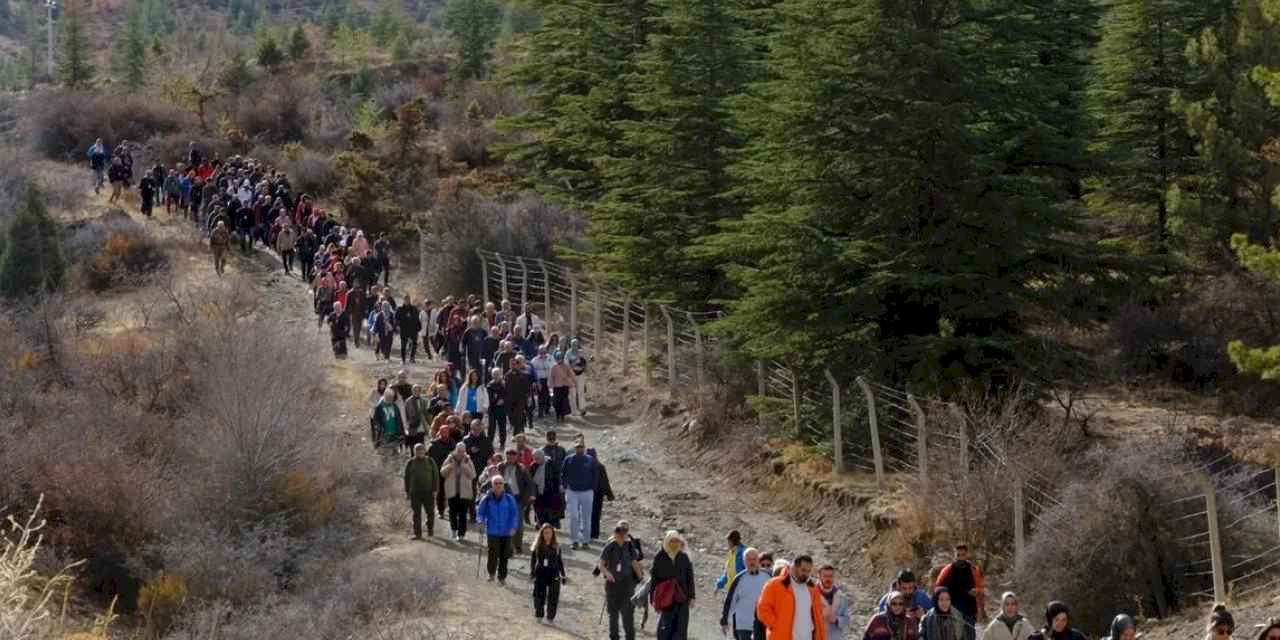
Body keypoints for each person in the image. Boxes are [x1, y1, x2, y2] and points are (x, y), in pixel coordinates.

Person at [757, 554, 826, 640]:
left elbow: (818, 615)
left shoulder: (813, 589)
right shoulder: (774, 584)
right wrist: (776, 626)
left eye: (808, 571)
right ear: (793, 567)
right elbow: (762, 609)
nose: (806, 574)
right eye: (803, 570)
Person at [601, 521, 644, 640]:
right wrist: (607, 573)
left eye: (623, 534)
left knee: (628, 614)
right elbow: (601, 565)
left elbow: (635, 563)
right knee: (613, 614)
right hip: (612, 584)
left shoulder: (630, 546)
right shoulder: (610, 546)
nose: (621, 536)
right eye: (619, 534)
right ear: (615, 534)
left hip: (627, 584)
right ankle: (614, 637)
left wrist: (641, 578)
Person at [650, 531, 696, 640]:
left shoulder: (684, 557)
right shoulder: (660, 557)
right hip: (666, 600)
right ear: (667, 542)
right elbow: (654, 580)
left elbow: (690, 578)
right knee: (665, 631)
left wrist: (692, 596)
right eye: (672, 541)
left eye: (677, 541)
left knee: (680, 631)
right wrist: (653, 600)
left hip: (682, 599)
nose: (675, 544)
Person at [476, 475, 520, 584]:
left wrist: (514, 527)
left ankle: (502, 577)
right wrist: (481, 522)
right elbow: (480, 513)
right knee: (493, 554)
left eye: (500, 483)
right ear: (492, 485)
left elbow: (514, 515)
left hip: (507, 532)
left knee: (504, 556)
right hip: (492, 532)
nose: (498, 485)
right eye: (496, 483)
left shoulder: (509, 499)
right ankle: (491, 574)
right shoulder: (486, 499)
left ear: (503, 485)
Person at [720, 547, 770, 640]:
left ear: (758, 560)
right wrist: (724, 620)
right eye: (748, 559)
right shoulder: (739, 578)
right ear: (744, 561)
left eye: (754, 559)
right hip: (744, 624)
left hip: (763, 624)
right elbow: (730, 600)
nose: (752, 562)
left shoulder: (768, 577)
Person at [935, 545, 984, 625]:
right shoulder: (947, 570)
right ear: (954, 555)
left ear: (967, 555)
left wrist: (976, 591)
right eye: (958, 555)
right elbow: (937, 588)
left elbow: (981, 589)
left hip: (969, 610)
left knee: (969, 632)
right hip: (951, 610)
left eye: (963, 555)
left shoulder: (974, 570)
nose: (960, 558)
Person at [561, 440, 597, 549]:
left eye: (581, 447)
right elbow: (563, 473)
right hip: (572, 491)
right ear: (574, 448)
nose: (579, 449)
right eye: (577, 447)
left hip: (587, 491)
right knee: (574, 516)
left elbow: (595, 474)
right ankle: (574, 541)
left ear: (584, 448)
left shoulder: (590, 459)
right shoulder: (568, 459)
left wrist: (593, 488)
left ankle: (586, 541)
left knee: (586, 517)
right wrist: (564, 485)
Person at [530, 523, 567, 625]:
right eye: (545, 533)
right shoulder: (537, 545)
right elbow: (533, 560)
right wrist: (532, 572)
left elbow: (559, 561)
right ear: (541, 534)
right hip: (540, 572)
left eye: (549, 533)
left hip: (554, 573)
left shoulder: (557, 546)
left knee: (553, 596)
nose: (547, 535)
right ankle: (539, 615)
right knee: (539, 595)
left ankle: (550, 617)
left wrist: (563, 575)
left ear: (553, 534)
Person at [498, 449, 535, 548]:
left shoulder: (522, 468)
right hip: (503, 498)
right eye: (508, 457)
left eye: (512, 458)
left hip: (517, 499)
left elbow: (529, 483)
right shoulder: (500, 466)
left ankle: (517, 545)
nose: (510, 460)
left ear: (516, 457)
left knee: (518, 524)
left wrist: (530, 495)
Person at [441, 443, 476, 541]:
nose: (460, 453)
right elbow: (442, 473)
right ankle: (453, 530)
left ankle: (461, 534)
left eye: (462, 451)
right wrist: (450, 466)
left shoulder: (468, 460)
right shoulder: (450, 458)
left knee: (463, 514)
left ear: (465, 451)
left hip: (464, 492)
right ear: (456, 450)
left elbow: (473, 475)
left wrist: (465, 466)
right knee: (452, 512)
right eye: (459, 451)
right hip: (452, 491)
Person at [403, 443, 439, 539]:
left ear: (424, 451)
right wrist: (407, 491)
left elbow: (435, 476)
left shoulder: (430, 461)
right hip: (415, 492)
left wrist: (435, 490)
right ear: (414, 451)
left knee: (430, 512)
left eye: (421, 450)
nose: (419, 452)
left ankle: (430, 529)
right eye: (417, 450)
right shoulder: (410, 462)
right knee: (416, 514)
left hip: (428, 491)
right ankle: (417, 534)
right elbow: (407, 478)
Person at [530, 449, 563, 529]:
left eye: (538, 458)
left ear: (542, 457)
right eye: (535, 458)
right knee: (539, 510)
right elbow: (531, 478)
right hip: (538, 491)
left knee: (550, 510)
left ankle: (549, 527)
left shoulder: (551, 464)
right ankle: (540, 525)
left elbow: (557, 476)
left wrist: (559, 486)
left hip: (551, 491)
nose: (536, 460)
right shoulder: (533, 466)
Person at [818, 565, 852, 640]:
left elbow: (847, 619)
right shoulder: (811, 595)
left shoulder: (842, 597)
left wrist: (836, 620)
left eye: (831, 576)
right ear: (820, 577)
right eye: (825, 576)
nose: (828, 579)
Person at [589, 448, 614, 541]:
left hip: (588, 493)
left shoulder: (584, 466)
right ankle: (594, 533)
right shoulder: (600, 466)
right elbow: (605, 482)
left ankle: (589, 532)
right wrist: (609, 494)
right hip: (598, 494)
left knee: (588, 513)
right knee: (596, 514)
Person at [504, 356, 534, 435]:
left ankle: (516, 434)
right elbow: (505, 388)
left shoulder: (524, 375)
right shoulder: (507, 375)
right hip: (510, 400)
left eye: (514, 364)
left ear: (517, 365)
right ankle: (521, 429)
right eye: (511, 364)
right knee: (511, 418)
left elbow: (527, 388)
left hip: (520, 400)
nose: (512, 366)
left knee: (518, 417)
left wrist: (528, 398)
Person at [464, 420, 494, 490]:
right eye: (474, 429)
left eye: (479, 429)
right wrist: (470, 450)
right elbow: (461, 453)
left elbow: (491, 452)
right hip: (470, 467)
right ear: (471, 429)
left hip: (483, 467)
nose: (477, 431)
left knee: (482, 487)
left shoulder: (486, 439)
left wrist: (490, 459)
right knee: (470, 488)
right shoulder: (466, 440)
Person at [550, 352, 576, 422]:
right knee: (557, 401)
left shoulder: (566, 366)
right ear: (556, 359)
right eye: (558, 358)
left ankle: (562, 416)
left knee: (564, 401)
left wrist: (573, 382)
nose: (559, 360)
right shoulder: (554, 367)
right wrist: (551, 385)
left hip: (564, 386)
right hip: (557, 386)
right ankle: (557, 415)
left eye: (561, 358)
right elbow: (551, 377)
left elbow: (571, 374)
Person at [404, 384, 429, 453]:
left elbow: (426, 413)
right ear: (412, 391)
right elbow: (406, 414)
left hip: (421, 426)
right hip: (412, 427)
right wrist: (408, 425)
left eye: (418, 390)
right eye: (415, 390)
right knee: (412, 446)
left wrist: (429, 424)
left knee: (421, 444)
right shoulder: (408, 401)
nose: (417, 392)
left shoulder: (424, 401)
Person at [530, 346, 554, 420]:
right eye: (541, 352)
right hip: (540, 380)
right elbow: (532, 371)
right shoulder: (534, 360)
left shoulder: (550, 358)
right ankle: (540, 412)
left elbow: (554, 366)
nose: (543, 353)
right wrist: (534, 382)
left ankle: (547, 410)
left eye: (544, 352)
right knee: (541, 396)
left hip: (549, 379)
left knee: (548, 395)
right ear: (538, 352)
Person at [486, 367, 507, 450]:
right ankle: (489, 444)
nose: (496, 376)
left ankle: (502, 443)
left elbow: (508, 395)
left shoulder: (504, 384)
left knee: (502, 427)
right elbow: (488, 398)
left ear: (500, 375)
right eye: (494, 374)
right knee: (491, 427)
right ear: (492, 375)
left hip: (502, 409)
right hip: (492, 409)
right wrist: (495, 400)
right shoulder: (489, 385)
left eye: (497, 374)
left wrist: (503, 400)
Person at [396, 294, 421, 364]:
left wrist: (419, 327)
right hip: (404, 329)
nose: (407, 301)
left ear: (410, 300)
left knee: (414, 343)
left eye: (408, 299)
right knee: (403, 344)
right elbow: (396, 318)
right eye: (405, 299)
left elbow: (417, 318)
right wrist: (398, 326)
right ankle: (403, 359)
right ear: (403, 300)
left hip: (413, 329)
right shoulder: (400, 309)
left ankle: (412, 358)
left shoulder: (414, 308)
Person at [566, 338, 588, 415]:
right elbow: (566, 364)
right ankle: (573, 410)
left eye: (576, 344)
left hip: (581, 374)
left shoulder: (582, 352)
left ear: (578, 345)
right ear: (571, 345)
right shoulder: (568, 353)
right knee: (572, 393)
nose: (574, 346)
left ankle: (582, 408)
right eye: (573, 344)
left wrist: (585, 369)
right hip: (571, 375)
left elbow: (586, 361)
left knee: (581, 391)